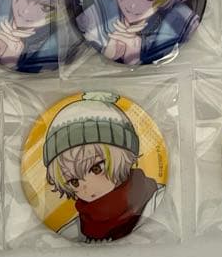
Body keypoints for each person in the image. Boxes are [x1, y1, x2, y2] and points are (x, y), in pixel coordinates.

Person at [43, 92, 165, 242]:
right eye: (74, 181)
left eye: (96, 169)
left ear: (124, 157)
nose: (87, 188)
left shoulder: (157, 203)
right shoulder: (73, 231)